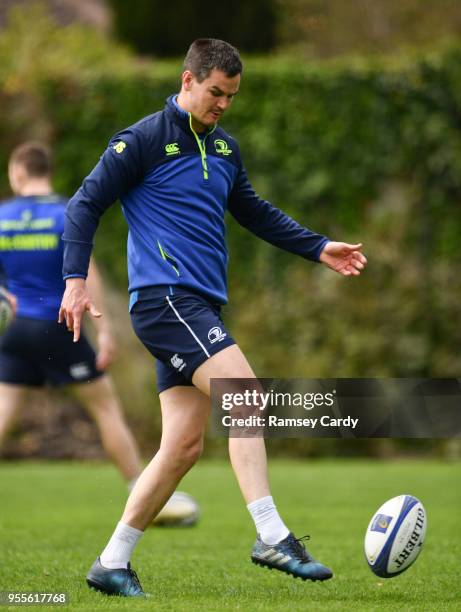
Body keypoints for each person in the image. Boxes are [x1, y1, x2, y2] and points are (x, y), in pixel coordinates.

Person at [59, 39, 367, 597]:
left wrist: (318, 246)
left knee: (181, 448)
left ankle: (112, 562)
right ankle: (271, 533)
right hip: (167, 299)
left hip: (197, 305)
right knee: (245, 394)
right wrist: (75, 280)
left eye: (231, 96)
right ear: (187, 82)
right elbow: (84, 204)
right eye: (215, 93)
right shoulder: (142, 140)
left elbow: (252, 210)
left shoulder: (224, 148)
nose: (222, 104)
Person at [0, 142, 198, 526]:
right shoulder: (65, 212)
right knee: (105, 407)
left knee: (4, 410)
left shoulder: (2, 215)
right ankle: (143, 493)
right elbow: (85, 271)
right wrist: (105, 332)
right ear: (47, 172)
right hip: (60, 326)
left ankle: (144, 492)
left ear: (19, 173)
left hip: (15, 328)